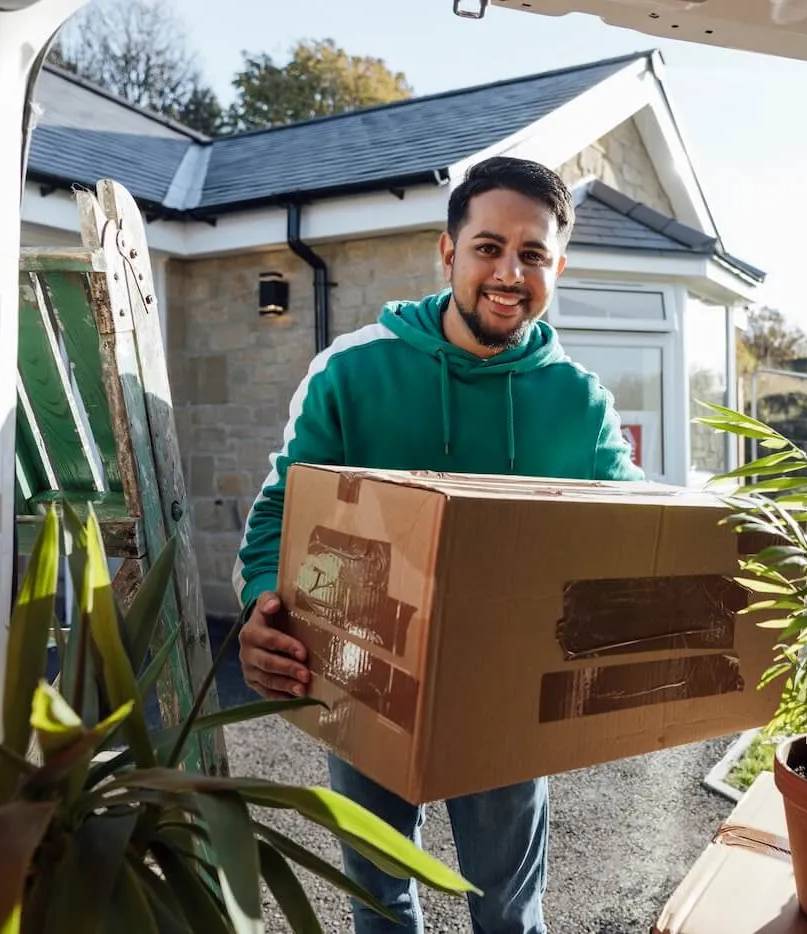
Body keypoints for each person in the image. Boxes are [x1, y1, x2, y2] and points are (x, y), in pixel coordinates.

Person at [231, 156, 645, 934]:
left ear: (558, 265)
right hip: (360, 673)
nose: (509, 271)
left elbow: (630, 526)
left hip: (508, 693)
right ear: (448, 252)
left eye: (532, 253)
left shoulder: (578, 402)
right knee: (379, 900)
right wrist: (262, 608)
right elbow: (278, 518)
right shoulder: (353, 372)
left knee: (509, 908)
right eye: (489, 247)